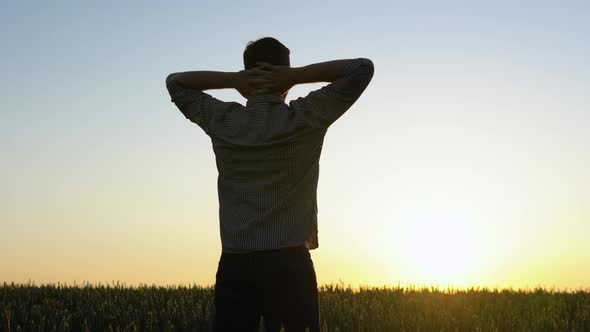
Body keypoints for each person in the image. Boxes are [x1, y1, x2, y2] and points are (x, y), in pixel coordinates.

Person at [166, 37, 374, 331]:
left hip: (236, 264)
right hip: (290, 263)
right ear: (285, 78)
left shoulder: (223, 120)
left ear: (245, 73)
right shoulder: (305, 117)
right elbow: (361, 69)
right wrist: (299, 75)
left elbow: (175, 83)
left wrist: (232, 80)